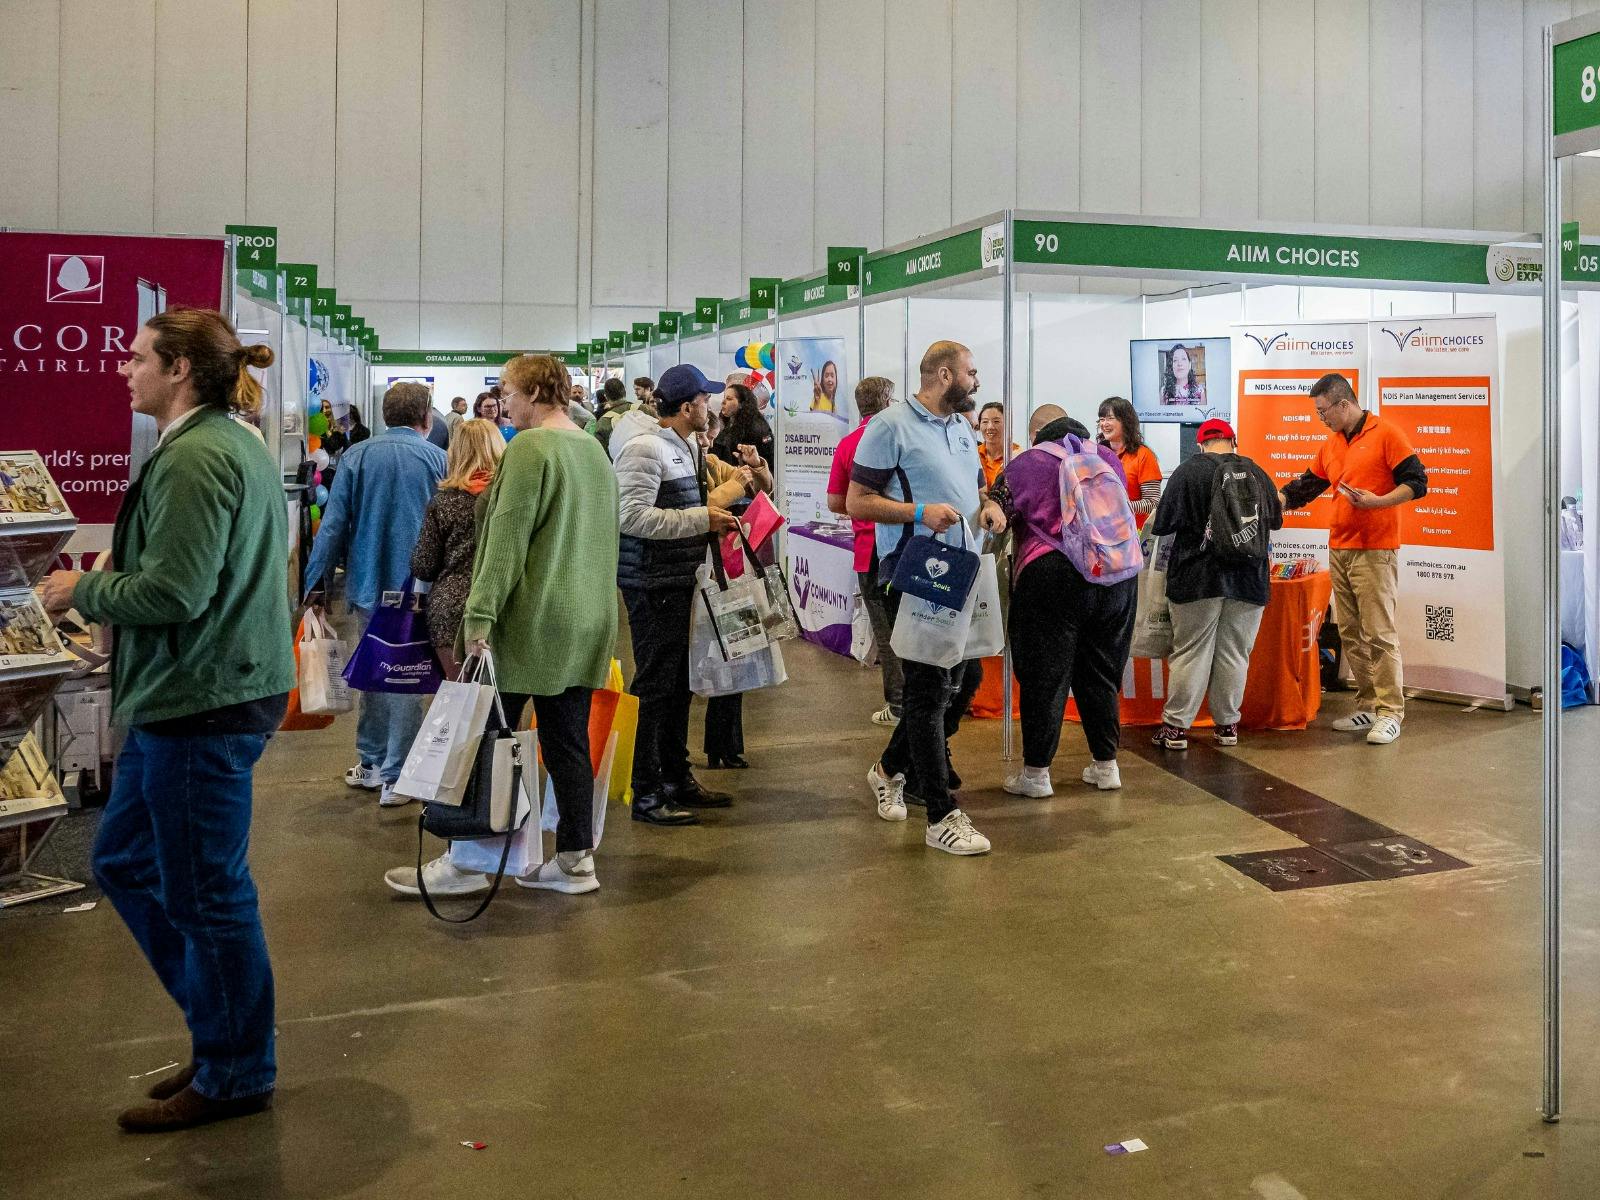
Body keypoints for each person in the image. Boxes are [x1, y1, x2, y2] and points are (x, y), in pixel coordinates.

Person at [39, 308, 294, 1132]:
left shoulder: (198, 458)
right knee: (122, 858)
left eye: (139, 355)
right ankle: (226, 1029)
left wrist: (83, 589)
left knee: (207, 891)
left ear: (179, 368)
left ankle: (235, 1070)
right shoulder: (223, 445)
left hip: (203, 699)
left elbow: (177, 594)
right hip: (196, 694)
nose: (123, 367)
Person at [386, 355, 620, 899]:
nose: (505, 400)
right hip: (586, 620)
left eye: (509, 390)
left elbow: (506, 543)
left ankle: (469, 859)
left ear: (536, 392)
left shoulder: (531, 448)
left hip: (528, 624)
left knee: (486, 738)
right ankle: (575, 858)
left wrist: (479, 615)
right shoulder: (592, 450)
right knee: (568, 744)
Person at [847, 341, 1003, 856]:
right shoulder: (888, 426)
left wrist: (987, 510)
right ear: (943, 374)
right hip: (915, 571)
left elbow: (975, 489)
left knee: (966, 677)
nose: (976, 380)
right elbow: (856, 501)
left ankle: (889, 768)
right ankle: (940, 814)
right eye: (970, 372)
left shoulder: (961, 427)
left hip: (965, 569)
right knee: (927, 685)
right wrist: (919, 513)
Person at [303, 382, 447, 805]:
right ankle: (397, 774)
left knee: (374, 668)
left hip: (367, 582)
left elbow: (334, 523)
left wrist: (317, 582)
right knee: (405, 674)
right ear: (426, 417)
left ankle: (370, 761)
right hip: (418, 585)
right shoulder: (438, 459)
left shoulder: (355, 456)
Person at [615, 363, 740, 825]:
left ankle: (675, 776)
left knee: (678, 682)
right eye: (706, 400)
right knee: (655, 684)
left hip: (677, 579)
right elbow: (630, 517)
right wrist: (700, 520)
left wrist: (708, 519)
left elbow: (681, 507)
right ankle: (646, 791)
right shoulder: (645, 449)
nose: (711, 406)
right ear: (688, 407)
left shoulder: (684, 446)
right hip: (650, 583)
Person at [990, 418, 1137, 800]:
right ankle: (1107, 767)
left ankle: (1036, 775)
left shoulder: (1026, 463)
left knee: (1045, 677)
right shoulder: (1105, 456)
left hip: (1052, 572)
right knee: (1102, 672)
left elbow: (999, 513)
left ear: (1039, 437)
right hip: (1114, 573)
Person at [1280, 372, 1427, 745]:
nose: (1321, 418)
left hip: (1376, 551)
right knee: (1350, 632)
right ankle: (1368, 703)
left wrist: (1378, 502)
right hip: (1340, 548)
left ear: (1344, 403)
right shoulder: (1331, 445)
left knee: (1379, 633)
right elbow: (1307, 485)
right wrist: (1275, 499)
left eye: (1323, 411)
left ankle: (1391, 712)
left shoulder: (1387, 434)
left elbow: (1418, 482)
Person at [1149, 419, 1283, 751]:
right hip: (1249, 579)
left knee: (1191, 652)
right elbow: (1276, 520)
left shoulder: (1188, 472)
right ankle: (1227, 727)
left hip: (1197, 577)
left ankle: (1176, 728)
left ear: (1200, 444)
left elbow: (1163, 522)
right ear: (1233, 441)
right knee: (1235, 654)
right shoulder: (1256, 473)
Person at [700, 406, 775, 770]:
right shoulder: (690, 467)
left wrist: (757, 466)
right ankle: (716, 745)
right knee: (714, 659)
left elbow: (767, 487)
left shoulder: (711, 463)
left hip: (732, 572)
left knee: (737, 654)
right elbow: (707, 505)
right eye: (700, 437)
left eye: (708, 437)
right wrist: (739, 482)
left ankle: (727, 743)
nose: (704, 443)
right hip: (705, 575)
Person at [827, 376, 903, 727]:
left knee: (886, 633)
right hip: (906, 546)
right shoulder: (900, 437)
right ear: (888, 400)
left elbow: (835, 501)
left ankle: (899, 705)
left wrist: (863, 510)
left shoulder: (847, 444)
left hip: (868, 549)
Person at [409, 418, 505, 680]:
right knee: (500, 704)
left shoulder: (444, 503)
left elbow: (423, 566)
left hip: (451, 609)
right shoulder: (508, 500)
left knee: (461, 701)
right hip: (501, 607)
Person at [1097, 396, 1162, 528]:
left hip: (1132, 535)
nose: (1104, 424)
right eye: (1102, 419)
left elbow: (1153, 503)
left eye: (1110, 418)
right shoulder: (1095, 454)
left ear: (1126, 421)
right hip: (1101, 532)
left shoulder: (1143, 455)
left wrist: (1120, 507)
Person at [714, 383, 775, 469]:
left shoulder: (756, 427)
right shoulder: (729, 422)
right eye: (724, 398)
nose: (723, 402)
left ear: (741, 404)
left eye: (729, 399)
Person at [977, 401, 1019, 491]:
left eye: (996, 421)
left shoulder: (1018, 456)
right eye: (985, 422)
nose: (990, 427)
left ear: (1008, 424)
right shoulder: (973, 454)